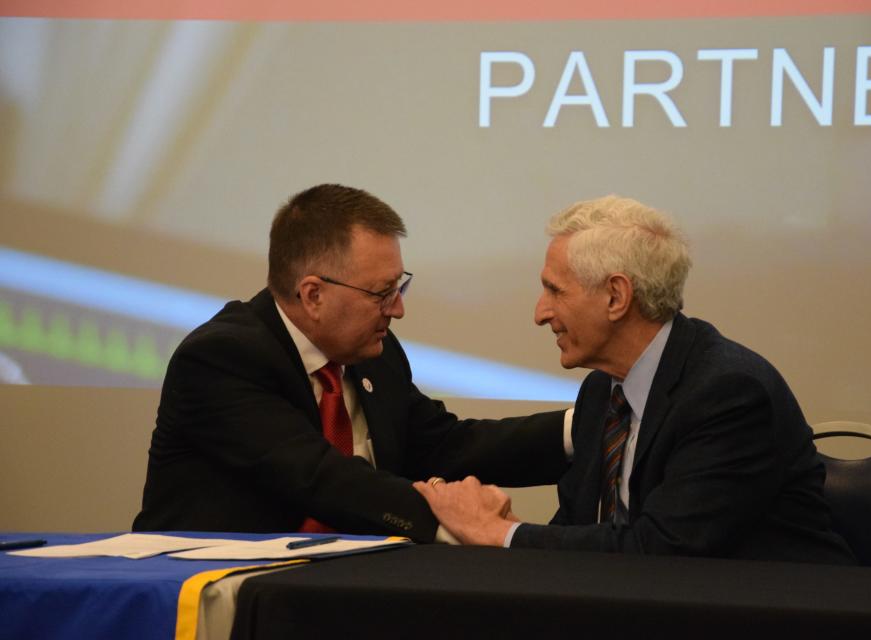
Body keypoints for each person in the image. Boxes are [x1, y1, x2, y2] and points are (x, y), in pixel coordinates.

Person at [415, 195, 856, 564]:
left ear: (616, 296)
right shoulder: (602, 390)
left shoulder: (728, 394)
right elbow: (578, 530)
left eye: (555, 290)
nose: (540, 313)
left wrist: (498, 533)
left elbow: (663, 552)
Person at [132, 184, 569, 542]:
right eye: (381, 293)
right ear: (313, 295)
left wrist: (581, 428)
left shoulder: (373, 353)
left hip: (347, 589)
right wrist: (461, 520)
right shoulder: (221, 359)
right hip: (220, 598)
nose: (396, 309)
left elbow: (443, 446)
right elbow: (320, 478)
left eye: (400, 287)